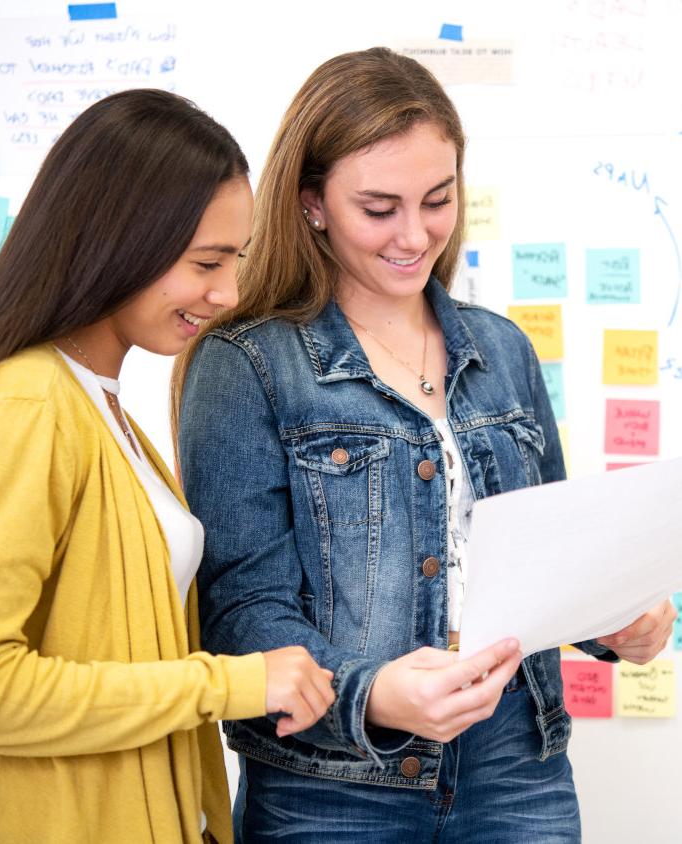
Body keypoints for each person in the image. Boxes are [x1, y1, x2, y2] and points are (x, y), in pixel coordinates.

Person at [174, 49, 675, 843]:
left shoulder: (501, 349)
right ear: (312, 203)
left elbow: (551, 558)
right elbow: (238, 611)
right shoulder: (247, 366)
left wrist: (617, 618)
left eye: (437, 200)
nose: (416, 235)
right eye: (379, 208)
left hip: (517, 767)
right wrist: (372, 693)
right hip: (331, 788)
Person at [0, 88, 335, 844]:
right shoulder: (32, 404)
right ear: (119, 241)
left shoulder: (104, 409)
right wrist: (233, 681)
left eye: (234, 261)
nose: (228, 293)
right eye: (206, 262)